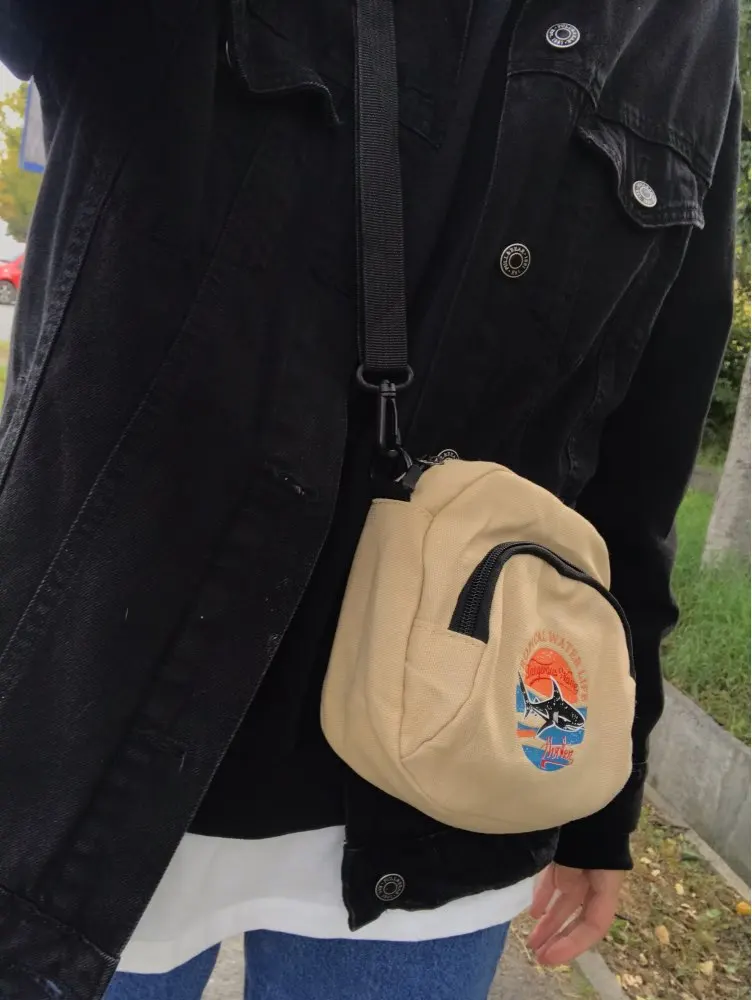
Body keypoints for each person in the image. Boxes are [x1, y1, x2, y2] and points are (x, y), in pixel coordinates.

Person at [0, 2, 740, 999]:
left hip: (456, 789)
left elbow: (643, 454)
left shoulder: (683, 25)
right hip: (101, 737)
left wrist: (606, 801)